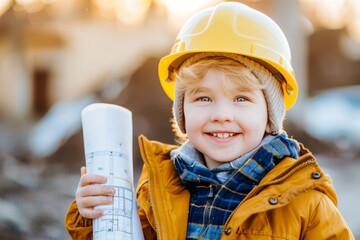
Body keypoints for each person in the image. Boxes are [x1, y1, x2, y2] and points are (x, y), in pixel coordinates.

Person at [65, 2, 355, 239]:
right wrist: (92, 215)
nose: (221, 114)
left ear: (270, 116)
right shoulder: (158, 191)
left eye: (241, 99)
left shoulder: (304, 200)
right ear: (182, 111)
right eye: (203, 99)